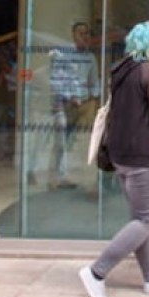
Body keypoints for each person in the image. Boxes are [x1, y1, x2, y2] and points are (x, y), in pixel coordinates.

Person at [78, 20, 149, 297]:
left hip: (121, 157)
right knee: (148, 219)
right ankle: (97, 272)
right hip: (144, 157)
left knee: (141, 217)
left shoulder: (121, 72)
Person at [46, 21, 100, 190]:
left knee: (77, 143)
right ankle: (55, 178)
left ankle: (68, 177)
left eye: (87, 33)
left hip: (83, 105)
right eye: (80, 33)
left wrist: (92, 96)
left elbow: (95, 82)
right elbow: (57, 80)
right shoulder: (63, 54)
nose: (84, 36)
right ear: (73, 35)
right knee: (60, 142)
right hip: (64, 104)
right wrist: (71, 97)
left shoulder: (91, 58)